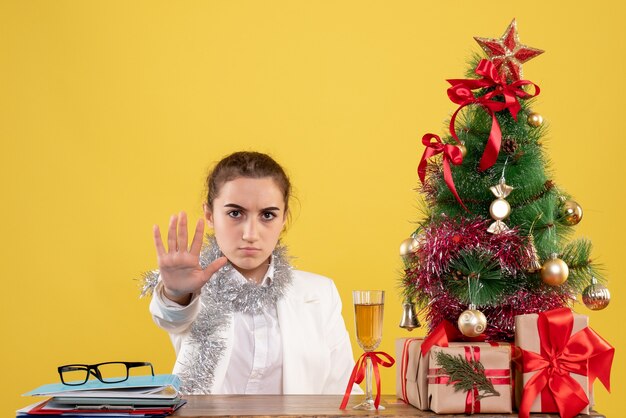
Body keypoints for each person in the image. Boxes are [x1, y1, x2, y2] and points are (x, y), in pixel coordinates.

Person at [142, 151, 361, 395]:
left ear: (284, 219)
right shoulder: (190, 284)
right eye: (235, 213)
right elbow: (170, 317)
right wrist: (175, 293)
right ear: (209, 216)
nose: (250, 233)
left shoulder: (320, 293)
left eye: (267, 215)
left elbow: (344, 391)